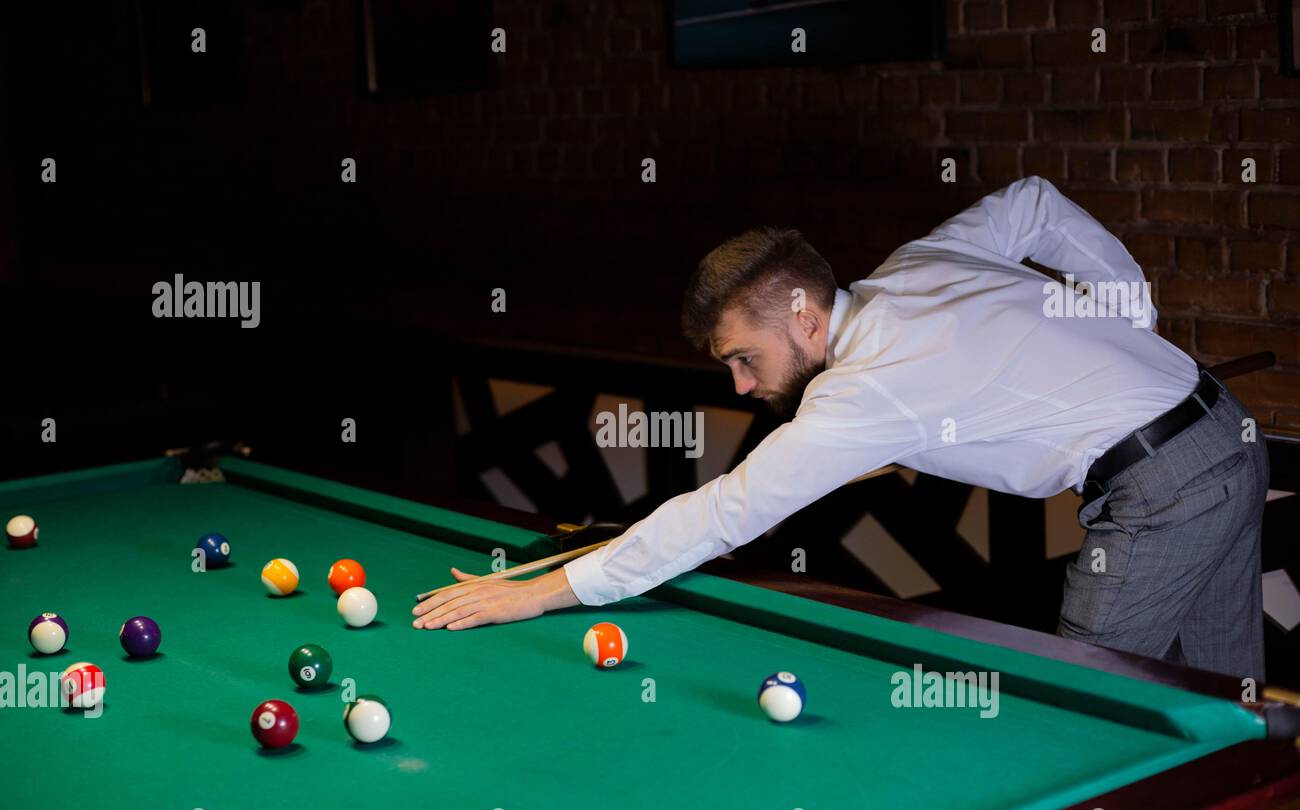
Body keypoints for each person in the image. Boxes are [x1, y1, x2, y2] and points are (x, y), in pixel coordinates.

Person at [412, 176, 1269, 680]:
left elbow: (720, 515)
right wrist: (1134, 311)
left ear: (803, 314)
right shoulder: (919, 263)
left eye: (744, 358)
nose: (744, 386)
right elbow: (1034, 203)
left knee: (1084, 706)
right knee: (1227, 698)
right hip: (1229, 437)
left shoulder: (856, 395)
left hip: (1161, 493)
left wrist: (530, 595)